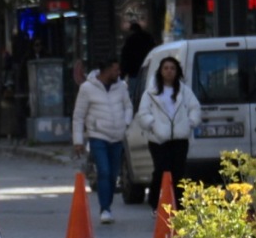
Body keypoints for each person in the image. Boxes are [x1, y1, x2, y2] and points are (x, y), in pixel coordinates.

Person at [72, 58, 134, 224]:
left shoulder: (121, 87)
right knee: (104, 171)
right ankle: (104, 208)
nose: (118, 73)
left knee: (114, 174)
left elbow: (128, 106)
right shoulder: (87, 88)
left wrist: (126, 122)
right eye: (115, 70)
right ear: (105, 70)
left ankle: (108, 205)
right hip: (98, 135)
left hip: (117, 136)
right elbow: (78, 116)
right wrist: (78, 140)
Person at [135, 53, 201, 202]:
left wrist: (189, 123)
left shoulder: (184, 91)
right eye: (166, 68)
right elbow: (143, 113)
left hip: (180, 138)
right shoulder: (150, 93)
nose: (169, 71)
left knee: (178, 173)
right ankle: (154, 202)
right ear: (160, 71)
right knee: (161, 171)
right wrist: (153, 125)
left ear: (177, 71)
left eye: (172, 68)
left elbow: (195, 108)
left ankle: (179, 205)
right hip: (158, 139)